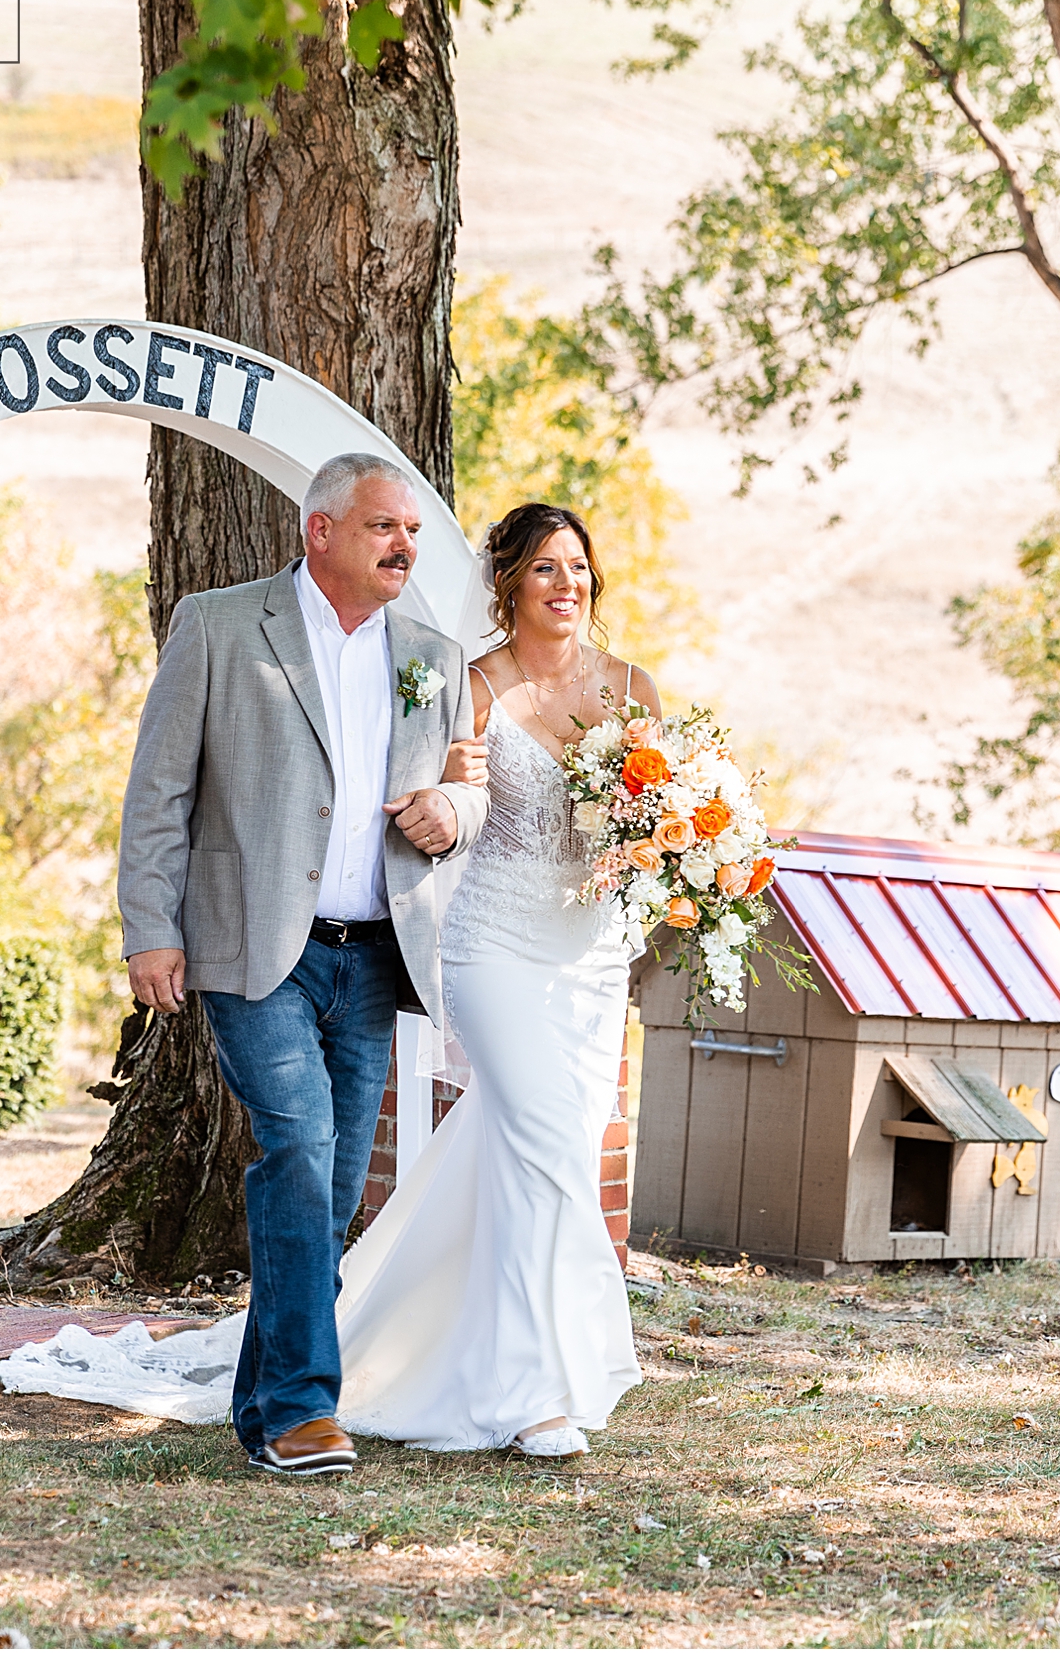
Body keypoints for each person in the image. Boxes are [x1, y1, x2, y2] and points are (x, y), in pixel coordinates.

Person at [117, 452, 489, 1478]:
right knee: (300, 1145)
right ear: (320, 530)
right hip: (254, 948)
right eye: (383, 528)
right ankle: (302, 1412)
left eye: (411, 530)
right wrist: (150, 923)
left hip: (374, 954)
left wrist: (448, 811)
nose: (404, 546)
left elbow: (471, 787)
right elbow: (159, 788)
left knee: (325, 1190)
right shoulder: (222, 623)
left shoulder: (432, 652)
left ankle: (261, 1402)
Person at [333, 500, 653, 1456]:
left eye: (579, 567)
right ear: (508, 582)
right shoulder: (470, 687)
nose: (568, 584)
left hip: (594, 960)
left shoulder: (632, 686)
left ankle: (523, 1351)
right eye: (546, 568)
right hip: (495, 951)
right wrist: (440, 794)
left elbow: (662, 816)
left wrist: (672, 851)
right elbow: (449, 788)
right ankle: (525, 1393)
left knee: (539, 1155)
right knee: (548, 1145)